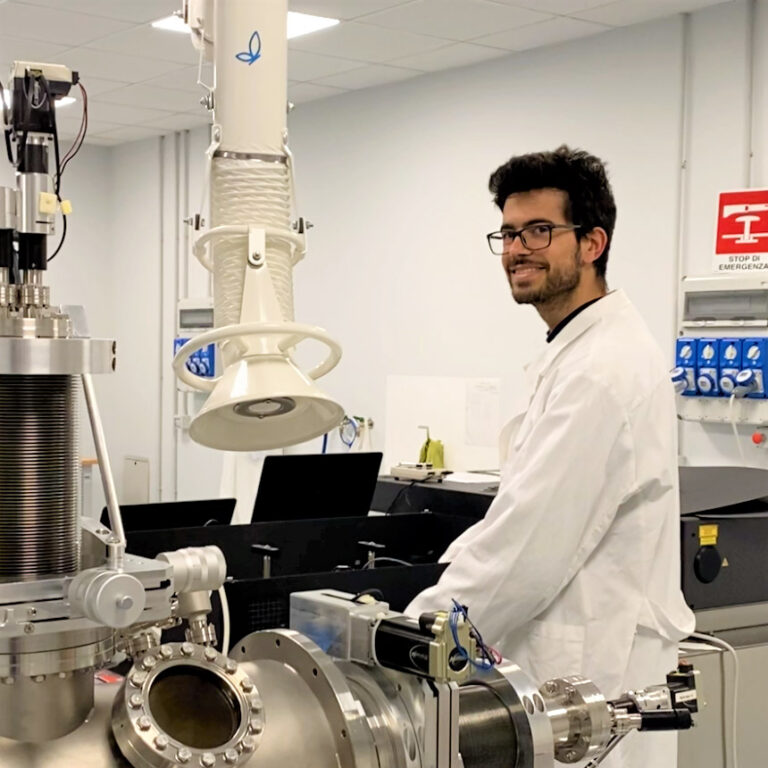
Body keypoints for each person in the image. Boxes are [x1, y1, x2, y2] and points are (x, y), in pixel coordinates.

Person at [406, 145, 695, 768]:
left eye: (539, 230)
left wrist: (415, 635)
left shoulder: (600, 371)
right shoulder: (582, 353)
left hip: (591, 674)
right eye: (508, 233)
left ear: (592, 243)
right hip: (581, 671)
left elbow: (525, 551)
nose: (517, 249)